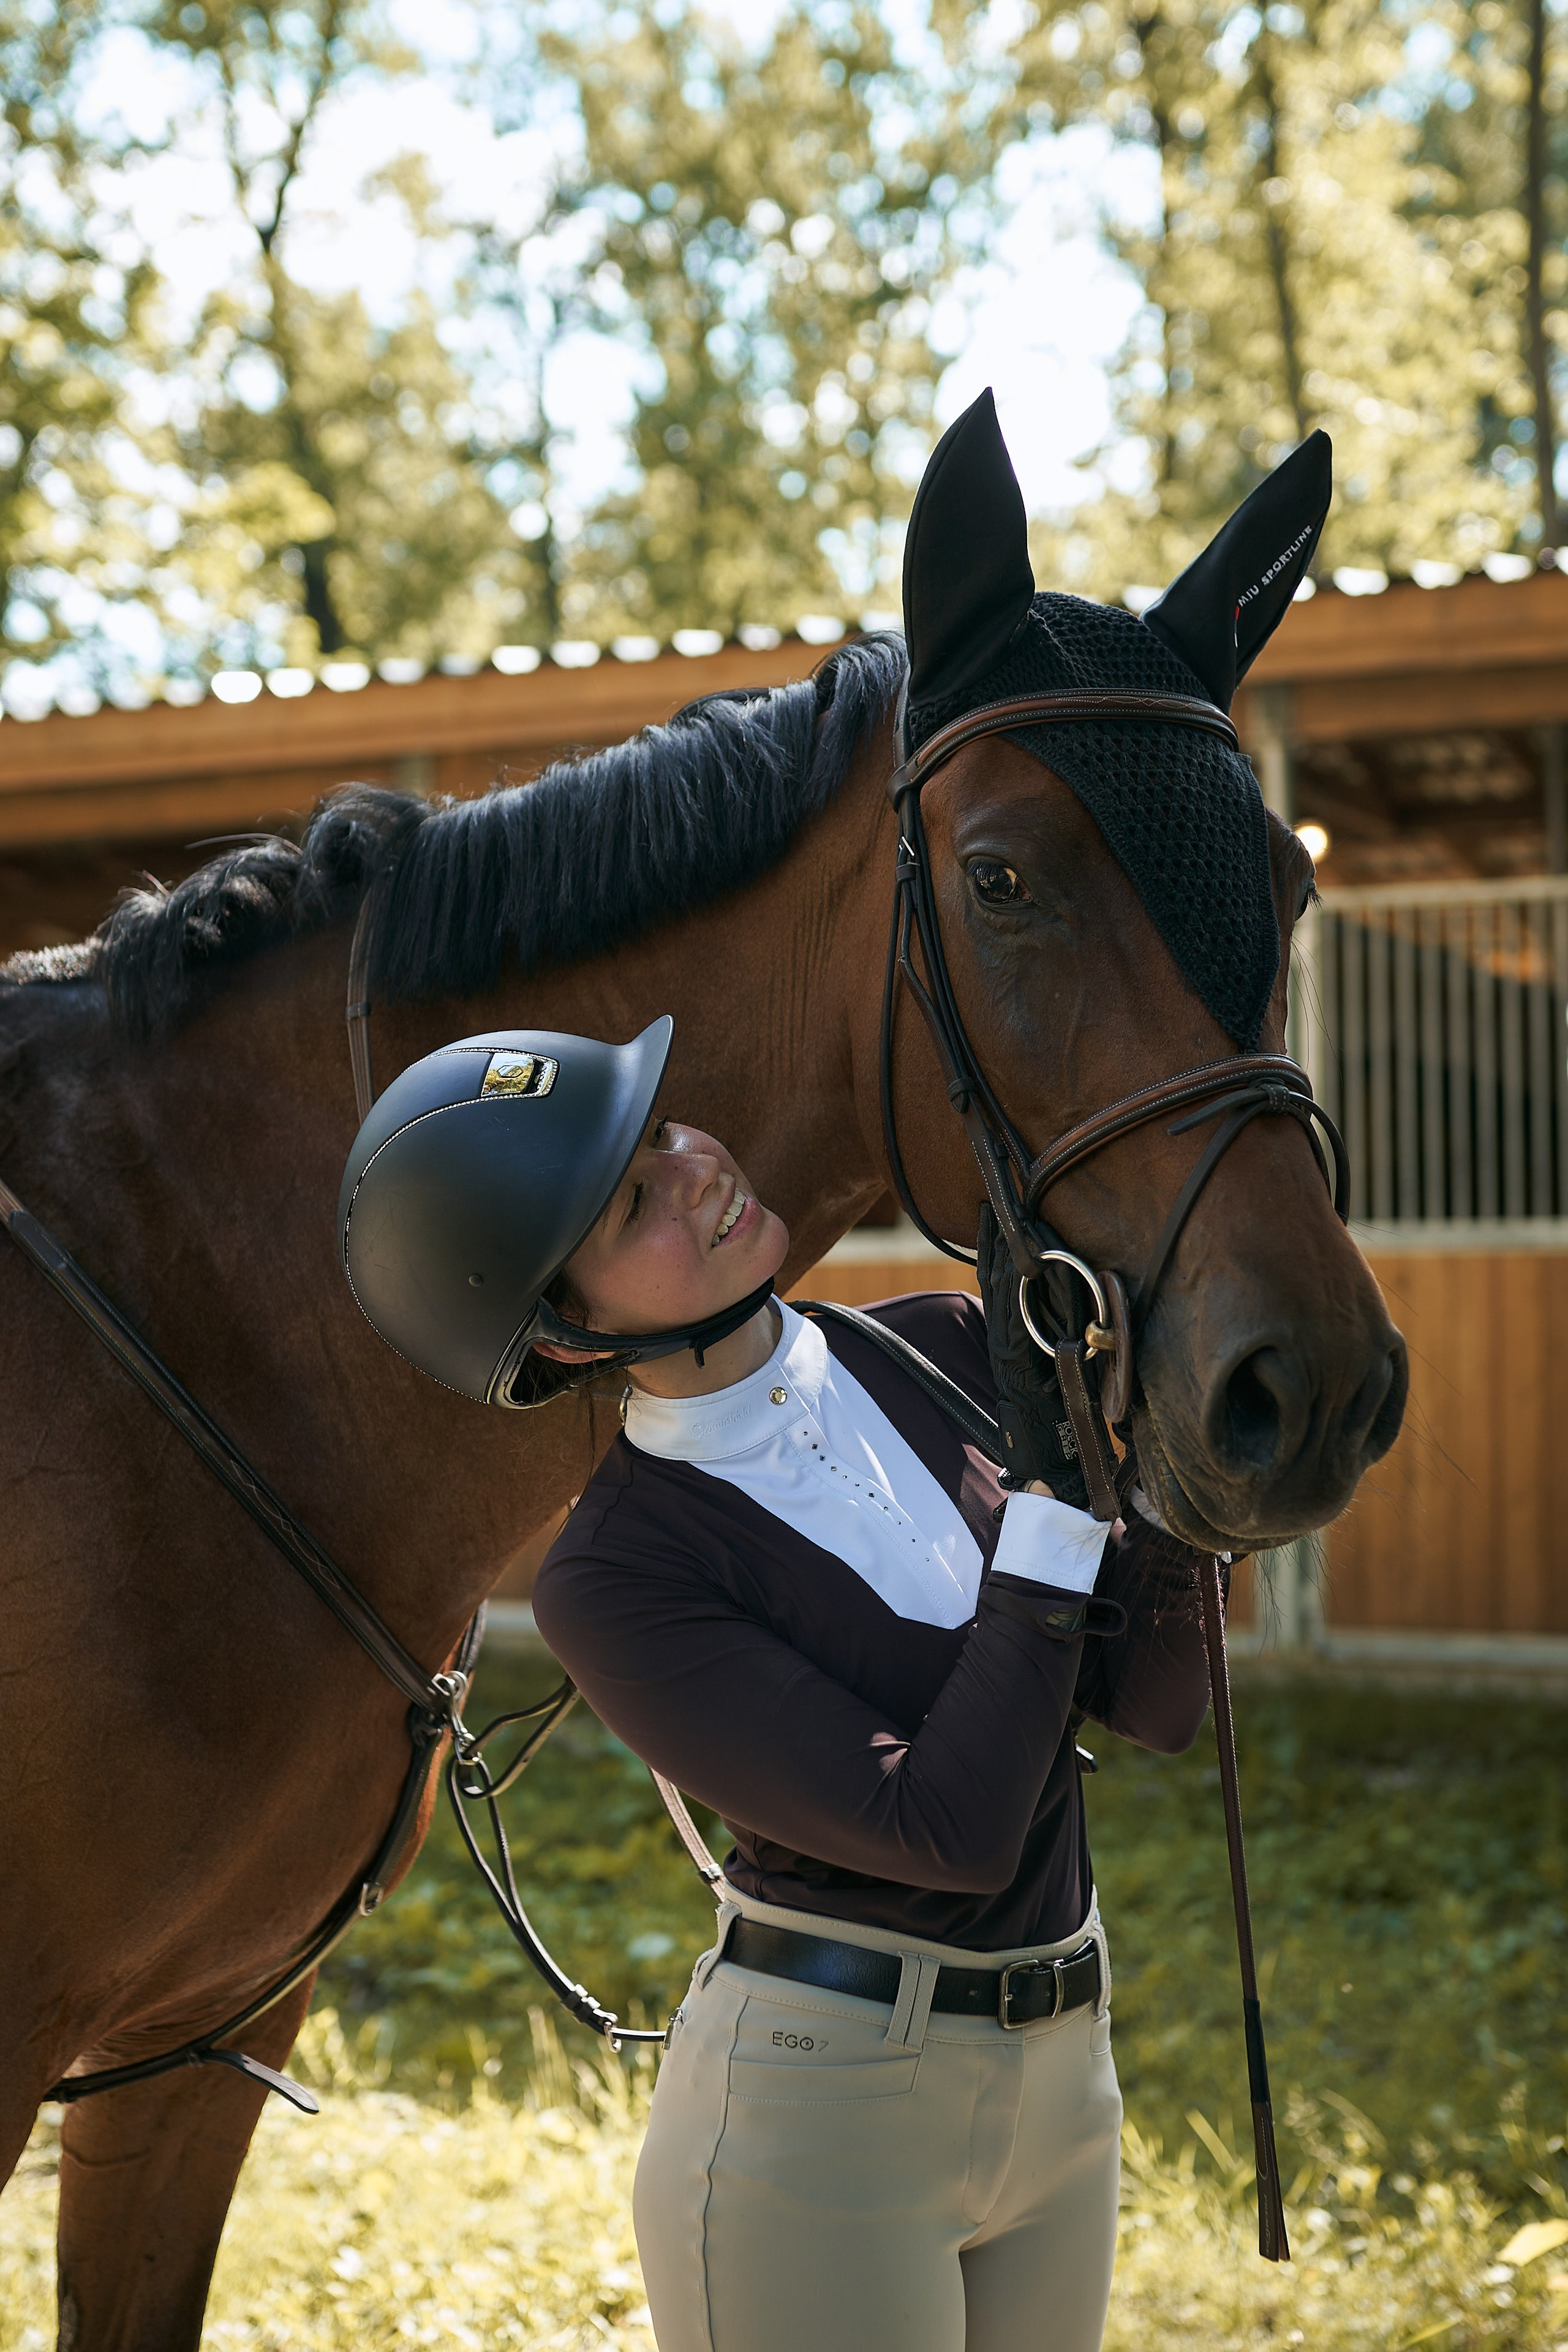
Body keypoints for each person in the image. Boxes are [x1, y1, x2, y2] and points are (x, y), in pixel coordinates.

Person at [338, 1017, 1221, 2352]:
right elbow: (948, 1829)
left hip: (1067, 2069)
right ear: (566, 1332)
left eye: (664, 1130)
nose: (695, 1165)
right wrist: (1052, 1510)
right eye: (632, 1199)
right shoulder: (619, 1577)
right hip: (823, 2124)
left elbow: (1153, 1705)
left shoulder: (941, 1342)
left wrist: (1182, 1446)